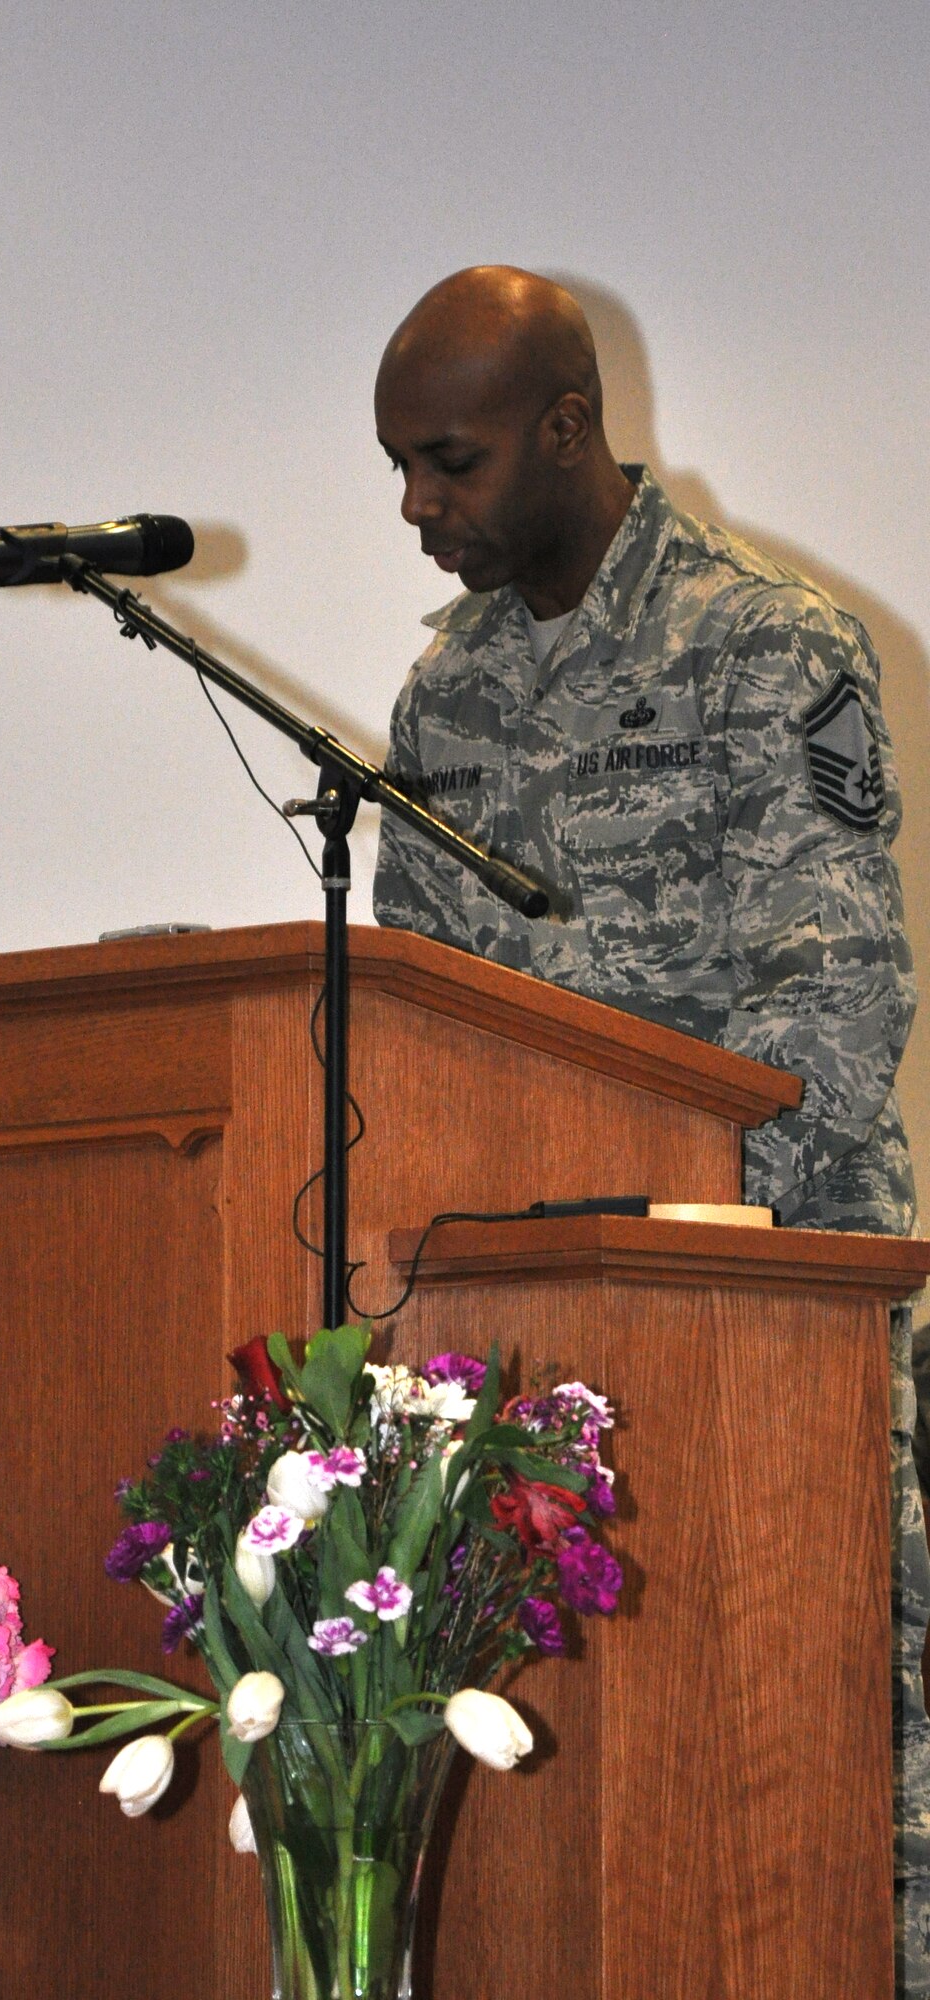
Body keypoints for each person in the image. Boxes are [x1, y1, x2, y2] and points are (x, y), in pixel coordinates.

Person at [371, 264, 929, 1991]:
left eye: (450, 463)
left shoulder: (769, 645)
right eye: (400, 467)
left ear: (567, 430)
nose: (417, 507)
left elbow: (836, 1007)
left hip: (770, 1306)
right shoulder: (447, 694)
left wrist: (664, 1230)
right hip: (536, 1331)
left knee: (835, 1764)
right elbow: (417, 1019)